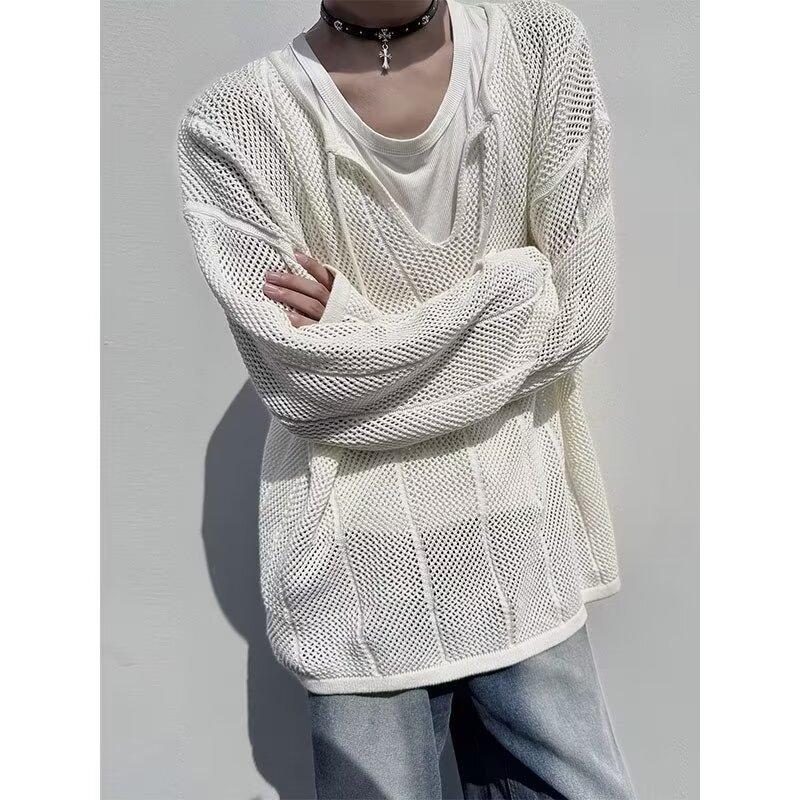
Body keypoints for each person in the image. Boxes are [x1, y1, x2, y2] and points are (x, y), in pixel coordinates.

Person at [177, 0, 637, 797]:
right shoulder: (233, 123)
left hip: (520, 553)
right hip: (356, 581)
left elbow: (580, 312)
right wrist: (515, 290)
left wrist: (354, 329)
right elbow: (304, 384)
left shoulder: (542, 47)